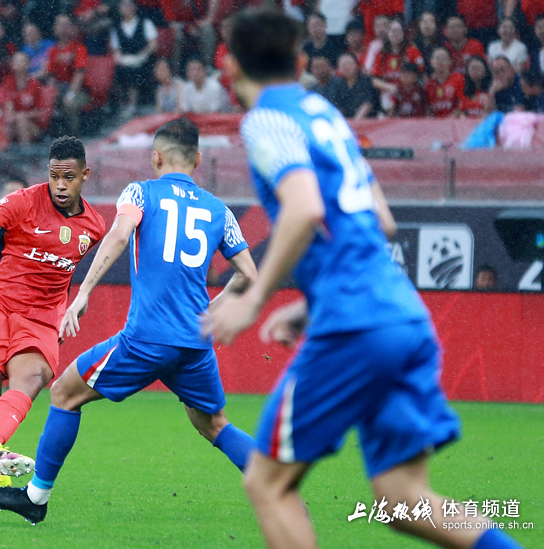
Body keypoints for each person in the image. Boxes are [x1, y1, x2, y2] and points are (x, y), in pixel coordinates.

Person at [209, 8, 523, 549]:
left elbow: (304, 207)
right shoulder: (325, 114)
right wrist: (312, 302)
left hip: (354, 323)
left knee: (267, 482)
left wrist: (254, 298)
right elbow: (381, 219)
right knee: (402, 498)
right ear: (300, 61)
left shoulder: (266, 119)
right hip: (401, 313)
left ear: (231, 66)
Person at [0, 117, 260, 525]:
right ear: (198, 160)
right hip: (194, 342)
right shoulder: (220, 210)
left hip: (147, 337)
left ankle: (36, 498)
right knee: (215, 424)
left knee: (64, 394)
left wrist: (83, 292)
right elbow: (249, 273)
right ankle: (275, 483)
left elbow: (118, 234)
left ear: (156, 158)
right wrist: (213, 311)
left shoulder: (141, 192)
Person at [0, 136, 106, 500]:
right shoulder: (25, 201)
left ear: (85, 175)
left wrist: (78, 301)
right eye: (54, 176)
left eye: (69, 177)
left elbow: (70, 272)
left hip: (43, 317)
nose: (60, 185)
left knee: (30, 380)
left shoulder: (94, 226)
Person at [109, 0, 158, 118]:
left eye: (128, 5)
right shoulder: (116, 27)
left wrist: (141, 56)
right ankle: (122, 104)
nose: (125, 8)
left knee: (133, 71)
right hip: (125, 60)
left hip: (144, 60)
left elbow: (153, 44)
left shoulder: (145, 23)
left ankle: (132, 105)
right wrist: (121, 58)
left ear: (134, 7)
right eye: (123, 5)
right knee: (116, 72)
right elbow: (116, 48)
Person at [2, 52, 46, 144]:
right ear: (12, 64)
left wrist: (23, 115)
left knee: (22, 121)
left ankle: (25, 150)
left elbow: (39, 111)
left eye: (22, 61)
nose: (19, 64)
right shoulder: (8, 82)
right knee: (8, 122)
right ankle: (6, 150)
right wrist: (12, 116)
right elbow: (8, 104)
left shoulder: (35, 84)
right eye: (16, 61)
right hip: (14, 121)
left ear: (28, 64)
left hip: (32, 125)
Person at [326, 53, 379, 119]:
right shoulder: (338, 84)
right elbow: (337, 107)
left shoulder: (365, 80)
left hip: (367, 119)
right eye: (343, 65)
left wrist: (356, 121)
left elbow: (367, 104)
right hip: (347, 120)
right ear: (338, 68)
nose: (346, 67)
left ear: (356, 65)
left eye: (349, 64)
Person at [425, 47, 464, 117]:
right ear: (431, 62)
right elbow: (428, 108)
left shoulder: (458, 79)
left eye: (443, 58)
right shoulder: (429, 84)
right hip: (435, 122)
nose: (440, 61)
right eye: (437, 58)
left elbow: (462, 104)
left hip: (455, 121)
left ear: (450, 61)